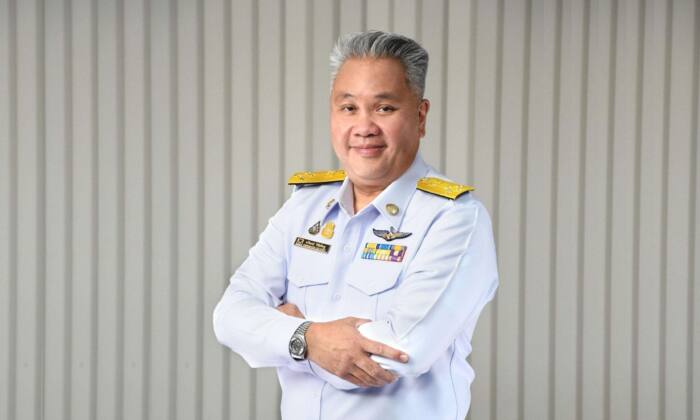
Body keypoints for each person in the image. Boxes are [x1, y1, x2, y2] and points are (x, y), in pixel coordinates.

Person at [213, 30, 498, 420]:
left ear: (420, 116)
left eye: (384, 108)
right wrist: (309, 338)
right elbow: (229, 316)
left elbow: (401, 350)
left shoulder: (454, 219)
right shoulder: (304, 208)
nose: (364, 127)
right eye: (348, 108)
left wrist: (288, 335)